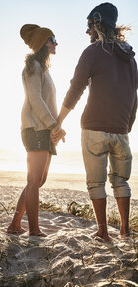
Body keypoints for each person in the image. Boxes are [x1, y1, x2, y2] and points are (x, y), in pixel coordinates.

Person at [51, 2, 137, 242]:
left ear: (98, 24)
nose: (87, 32)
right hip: (121, 131)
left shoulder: (92, 52)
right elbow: (134, 95)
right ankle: (125, 231)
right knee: (121, 182)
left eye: (89, 26)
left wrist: (58, 121)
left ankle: (102, 232)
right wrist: (127, 125)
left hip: (93, 128)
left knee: (96, 183)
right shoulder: (130, 58)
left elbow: (76, 89)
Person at [7, 24, 65, 236]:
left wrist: (56, 129)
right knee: (34, 181)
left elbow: (49, 103)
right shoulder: (33, 65)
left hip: (45, 129)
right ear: (42, 43)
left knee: (38, 181)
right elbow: (35, 100)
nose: (56, 43)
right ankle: (34, 229)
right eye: (52, 39)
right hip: (35, 128)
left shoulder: (43, 68)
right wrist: (53, 126)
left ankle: (15, 224)